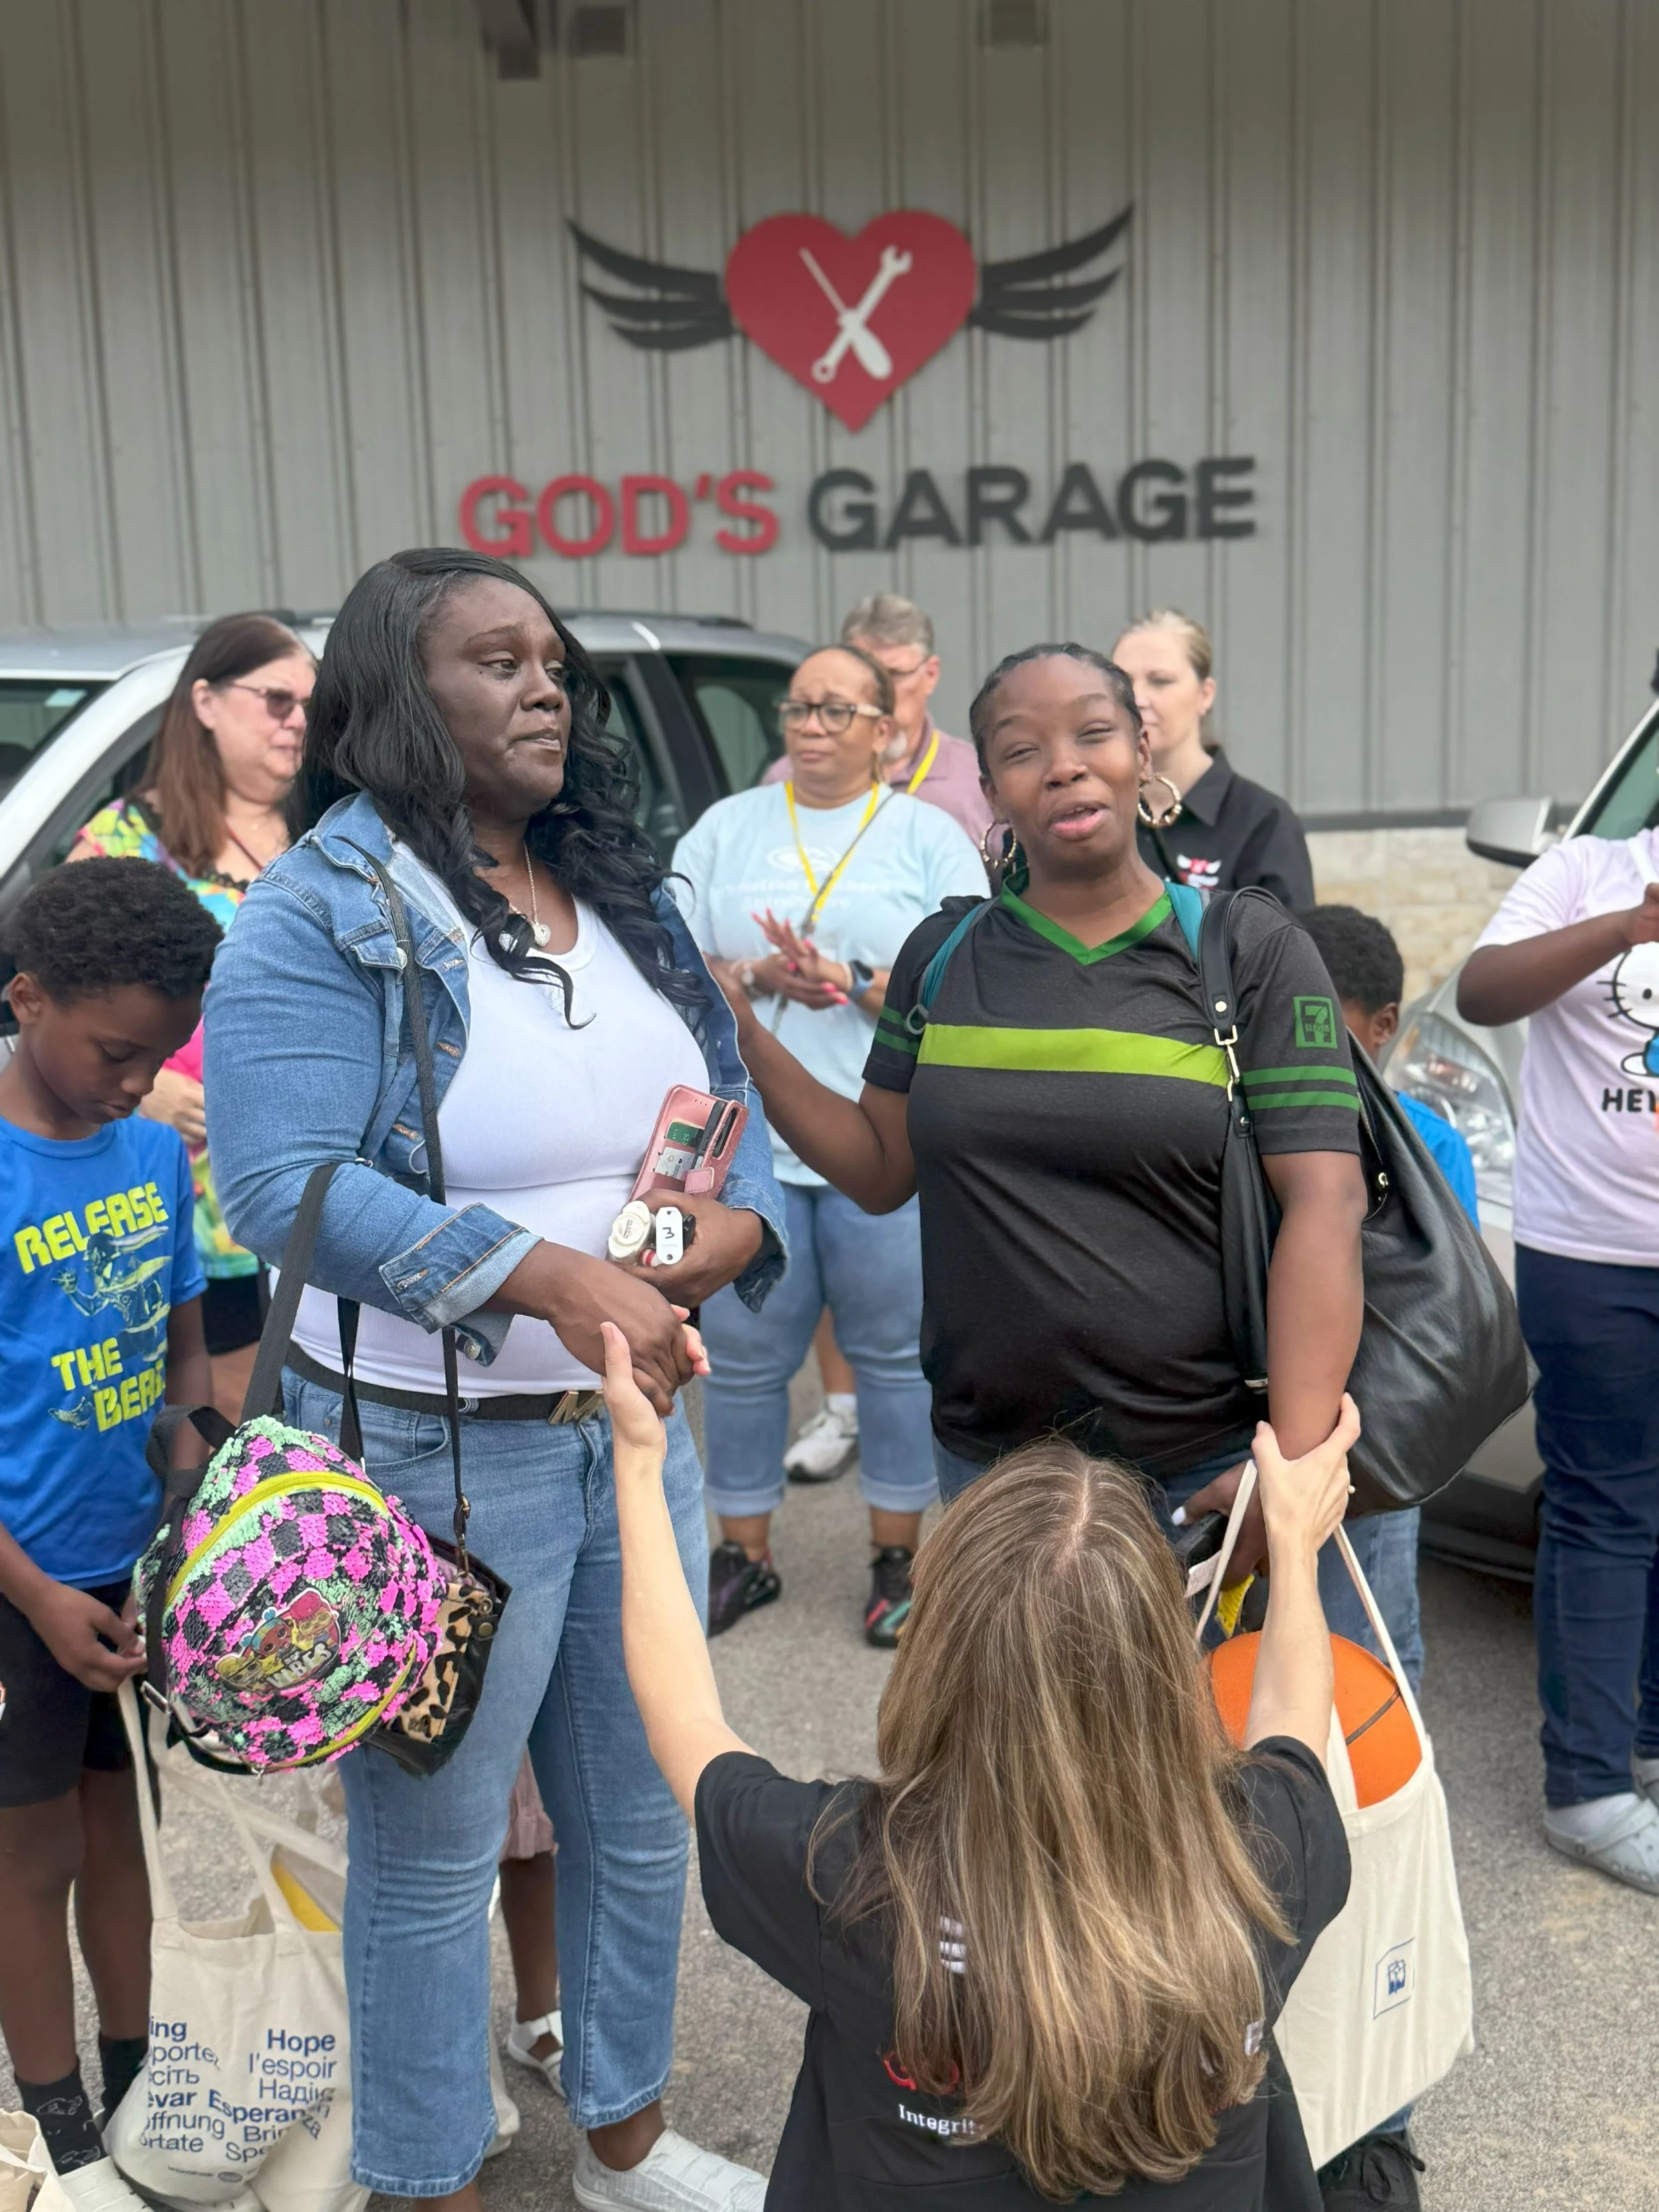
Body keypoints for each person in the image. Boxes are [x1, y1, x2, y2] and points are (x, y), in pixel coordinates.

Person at [203, 548, 788, 2212]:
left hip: (630, 1436)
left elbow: (719, 1122)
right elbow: (287, 1182)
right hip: (428, 1452)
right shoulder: (320, 907)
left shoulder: (635, 894)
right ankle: (428, 2173)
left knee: (644, 1807)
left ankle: (621, 2140)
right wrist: (536, 1276)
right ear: (400, 695)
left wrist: (731, 1240)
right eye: (496, 661)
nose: (546, 686)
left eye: (552, 660)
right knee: (435, 1851)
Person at [603, 1313, 1359, 2207]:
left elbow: (683, 1719)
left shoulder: (853, 1875)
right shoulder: (1264, 1852)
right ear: (1162, 1665)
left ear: (940, 1656)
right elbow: (1292, 1721)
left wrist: (640, 1457)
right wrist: (1297, 1553)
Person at [721, 643, 1368, 1582]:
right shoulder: (943, 957)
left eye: (1093, 733)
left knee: (1194, 1730)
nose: (1063, 763)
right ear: (990, 791)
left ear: (1142, 751)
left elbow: (1327, 1202)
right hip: (993, 1467)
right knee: (1020, 1734)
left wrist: (1290, 1471)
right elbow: (876, 1167)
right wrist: (744, 1037)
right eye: (1023, 750)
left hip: (1202, 1467)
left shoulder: (1248, 952)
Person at [673, 644, 987, 1644]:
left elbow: (970, 973)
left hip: (882, 1143)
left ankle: (898, 1560)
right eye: (799, 709)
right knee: (745, 1356)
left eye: (836, 710)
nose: (811, 727)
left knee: (895, 1358)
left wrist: (851, 978)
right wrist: (750, 970)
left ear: (885, 731)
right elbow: (670, 952)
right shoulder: (728, 826)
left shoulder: (928, 835)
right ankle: (744, 1554)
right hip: (751, 1145)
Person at [0, 859, 218, 2207]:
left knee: (123, 1832)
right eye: (116, 1050)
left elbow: (184, 1328)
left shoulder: (147, 1151)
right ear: (25, 998)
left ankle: (143, 2088)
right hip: (17, 1581)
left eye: (159, 1052)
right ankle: (61, 2125)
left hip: (123, 1564)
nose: (138, 1081)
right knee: (32, 1858)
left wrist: (192, 1455)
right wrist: (31, 1592)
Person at [1458, 828, 1659, 1895]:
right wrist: (1630, 928)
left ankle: (1652, 1738)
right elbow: (1485, 991)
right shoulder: (1590, 870)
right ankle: (1588, 1788)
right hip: (1595, 1254)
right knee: (1606, 1504)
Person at [764, 595, 991, 1487]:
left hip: (931, 1067)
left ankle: (915, 1415)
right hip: (820, 1064)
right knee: (830, 1224)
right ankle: (843, 1401)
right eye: (846, 683)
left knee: (907, 1270)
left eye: (889, 681)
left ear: (927, 678)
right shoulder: (791, 771)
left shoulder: (967, 783)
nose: (869, 704)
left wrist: (860, 983)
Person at [68, 614, 316, 1423]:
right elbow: (61, 1012)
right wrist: (139, 1095)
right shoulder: (122, 844)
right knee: (229, 1425)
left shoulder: (327, 832)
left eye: (312, 706)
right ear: (205, 701)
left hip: (322, 1176)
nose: (298, 724)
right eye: (278, 700)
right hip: (193, 1192)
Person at [1113, 610, 1315, 909]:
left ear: (1205, 695)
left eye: (1161, 681)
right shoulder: (1099, 812)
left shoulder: (1263, 822)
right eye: (1124, 682)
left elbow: (1289, 949)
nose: (1138, 697)